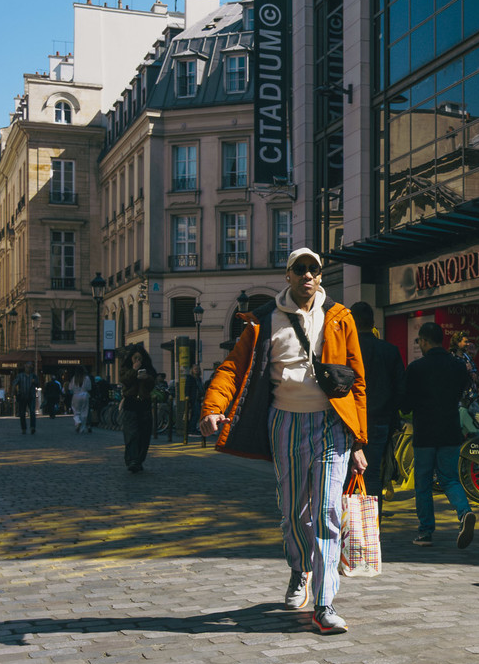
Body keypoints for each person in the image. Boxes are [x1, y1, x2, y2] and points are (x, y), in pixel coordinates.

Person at [199, 248, 369, 634]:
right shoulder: (263, 319)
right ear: (288, 275)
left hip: (332, 424)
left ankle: (324, 603)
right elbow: (232, 368)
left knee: (326, 511)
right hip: (285, 422)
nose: (308, 275)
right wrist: (213, 407)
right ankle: (300, 568)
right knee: (294, 509)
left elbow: (357, 380)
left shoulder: (340, 317)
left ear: (321, 276)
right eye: (300, 269)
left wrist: (359, 440)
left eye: (314, 269)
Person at [403, 321, 476, 549]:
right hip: (450, 430)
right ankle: (464, 512)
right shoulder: (457, 366)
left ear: (425, 341)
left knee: (423, 483)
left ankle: (425, 532)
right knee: (450, 478)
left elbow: (406, 403)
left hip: (425, 431)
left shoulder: (416, 368)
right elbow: (462, 392)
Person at [349, 301, 405, 504]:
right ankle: (372, 521)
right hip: (380, 420)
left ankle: (343, 519)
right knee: (372, 474)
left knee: (344, 475)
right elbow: (400, 389)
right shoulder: (389, 350)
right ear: (372, 323)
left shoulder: (347, 350)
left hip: (349, 421)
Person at [119, 348, 157, 472]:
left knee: (144, 434)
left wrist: (146, 378)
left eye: (140, 358)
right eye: (135, 358)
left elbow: (152, 384)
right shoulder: (126, 368)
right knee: (131, 434)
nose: (137, 360)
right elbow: (124, 380)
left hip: (144, 404)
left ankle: (139, 459)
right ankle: (132, 460)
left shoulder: (149, 370)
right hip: (130, 403)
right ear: (131, 358)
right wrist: (134, 370)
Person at [12, 363, 37, 434]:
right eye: (27, 367)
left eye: (30, 367)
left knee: (32, 412)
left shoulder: (33, 376)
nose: (29, 369)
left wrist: (35, 382)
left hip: (31, 396)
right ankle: (24, 428)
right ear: (25, 367)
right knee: (22, 413)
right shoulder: (20, 376)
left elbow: (38, 384)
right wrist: (14, 392)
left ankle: (32, 427)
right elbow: (14, 383)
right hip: (22, 396)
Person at [70, 366, 92, 433]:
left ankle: (78, 422)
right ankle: (82, 428)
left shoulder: (74, 378)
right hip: (85, 395)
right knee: (84, 411)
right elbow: (89, 388)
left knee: (76, 411)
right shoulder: (86, 378)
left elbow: (70, 388)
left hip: (76, 395)